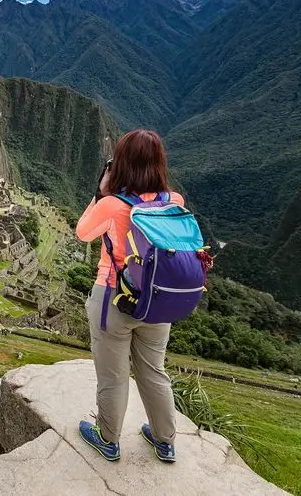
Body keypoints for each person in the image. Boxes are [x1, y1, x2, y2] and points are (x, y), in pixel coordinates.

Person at [74, 129, 184, 464]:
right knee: (154, 370)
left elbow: (83, 233)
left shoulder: (111, 205)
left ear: (119, 164)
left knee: (113, 375)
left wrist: (101, 192)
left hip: (113, 299)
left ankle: (108, 438)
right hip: (157, 301)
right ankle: (165, 441)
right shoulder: (175, 202)